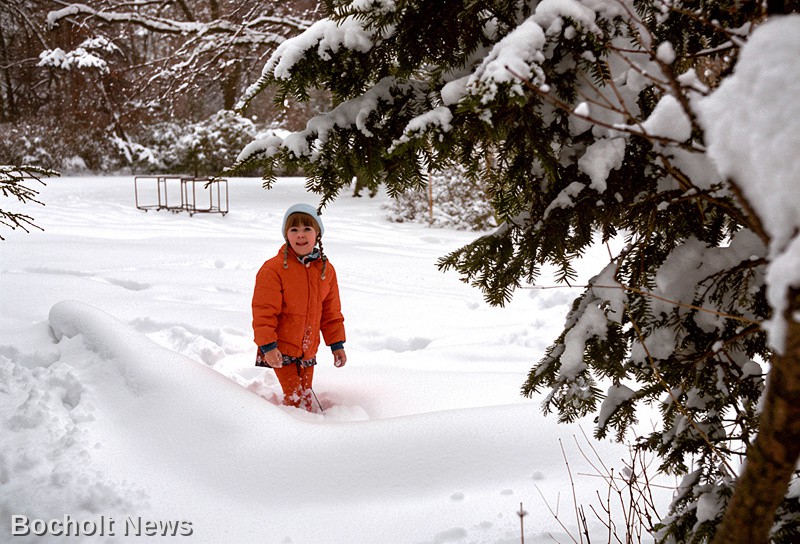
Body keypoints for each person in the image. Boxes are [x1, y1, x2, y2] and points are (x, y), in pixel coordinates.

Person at [251, 203, 347, 411]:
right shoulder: (273, 269)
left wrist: (337, 344)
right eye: (294, 229)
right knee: (294, 399)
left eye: (307, 229)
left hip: (308, 350)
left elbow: (331, 313)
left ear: (317, 234)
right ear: (286, 234)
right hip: (280, 348)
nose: (300, 235)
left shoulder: (325, 270)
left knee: (304, 396)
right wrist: (268, 346)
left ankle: (308, 431)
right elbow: (263, 312)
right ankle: (290, 435)